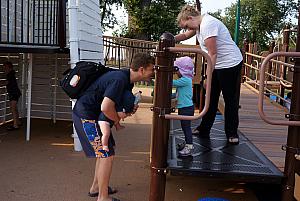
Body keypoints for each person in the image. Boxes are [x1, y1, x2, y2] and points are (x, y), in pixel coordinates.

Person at [72, 52, 155, 201]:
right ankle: (102, 198)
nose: (153, 73)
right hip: (86, 116)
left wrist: (124, 112)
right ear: (141, 69)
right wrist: (117, 120)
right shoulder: (119, 79)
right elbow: (106, 107)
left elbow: (116, 105)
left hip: (91, 115)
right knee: (106, 155)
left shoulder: (127, 80)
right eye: (151, 70)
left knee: (106, 153)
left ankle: (96, 188)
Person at [175, 5, 243, 145]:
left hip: (230, 64)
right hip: (218, 64)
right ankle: (204, 129)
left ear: (190, 18)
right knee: (210, 97)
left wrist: (207, 77)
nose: (187, 29)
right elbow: (185, 35)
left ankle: (232, 133)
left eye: (187, 25)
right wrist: (169, 39)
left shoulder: (208, 24)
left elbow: (213, 53)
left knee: (230, 99)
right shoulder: (198, 25)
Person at [173, 56, 195, 156]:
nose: (175, 72)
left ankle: (189, 146)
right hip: (184, 108)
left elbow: (171, 83)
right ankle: (187, 143)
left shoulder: (185, 80)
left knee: (186, 128)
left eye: (176, 69)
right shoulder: (185, 80)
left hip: (186, 108)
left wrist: (160, 77)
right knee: (184, 127)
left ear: (183, 70)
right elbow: (177, 93)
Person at [3, 61, 22, 131]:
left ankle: (15, 125)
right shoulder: (11, 73)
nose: (4, 68)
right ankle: (18, 122)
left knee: (13, 108)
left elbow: (7, 82)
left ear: (9, 67)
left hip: (14, 93)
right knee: (15, 108)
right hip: (15, 93)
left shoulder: (10, 74)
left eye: (5, 67)